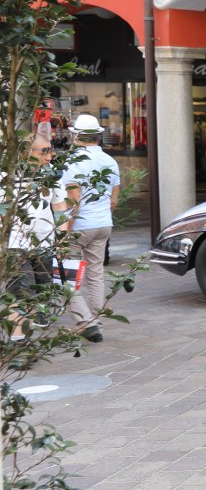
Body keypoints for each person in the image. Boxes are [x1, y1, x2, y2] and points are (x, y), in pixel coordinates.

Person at [62, 115, 120, 343]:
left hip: (78, 226)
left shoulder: (72, 162)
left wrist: (65, 229)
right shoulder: (110, 161)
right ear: (97, 136)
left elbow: (73, 200)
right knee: (95, 274)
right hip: (103, 223)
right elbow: (114, 199)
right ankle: (97, 321)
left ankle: (86, 322)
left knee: (65, 276)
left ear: (76, 136)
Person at [5, 136, 66, 340]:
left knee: (42, 290)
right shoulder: (6, 176)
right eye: (44, 152)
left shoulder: (51, 175)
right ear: (25, 153)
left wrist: (62, 238)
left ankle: (33, 327)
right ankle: (17, 339)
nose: (50, 156)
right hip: (15, 244)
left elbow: (59, 206)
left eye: (51, 150)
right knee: (21, 291)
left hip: (45, 243)